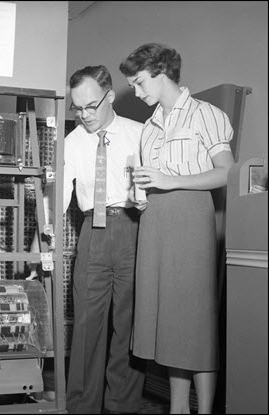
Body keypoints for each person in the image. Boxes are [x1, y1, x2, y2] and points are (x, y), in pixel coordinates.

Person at [119, 43, 235, 414]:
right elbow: (154, 181)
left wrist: (170, 180)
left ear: (160, 71)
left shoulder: (206, 114)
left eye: (138, 83)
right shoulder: (149, 128)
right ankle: (178, 409)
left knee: (195, 321)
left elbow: (227, 172)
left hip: (190, 219)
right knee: (169, 320)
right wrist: (141, 194)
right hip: (155, 221)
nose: (136, 93)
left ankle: (204, 410)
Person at [31, 65, 146, 414]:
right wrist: (39, 247)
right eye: (77, 108)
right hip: (91, 233)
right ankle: (82, 405)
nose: (84, 115)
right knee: (85, 325)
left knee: (127, 324)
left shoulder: (141, 134)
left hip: (134, 227)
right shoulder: (72, 141)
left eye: (91, 106)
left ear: (110, 96)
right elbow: (56, 198)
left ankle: (122, 406)